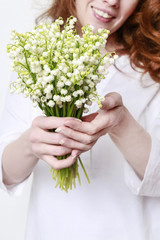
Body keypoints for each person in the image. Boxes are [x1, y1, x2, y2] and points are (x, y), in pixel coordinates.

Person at [0, 0, 160, 239]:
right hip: (48, 230)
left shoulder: (153, 66)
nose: (111, 1)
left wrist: (122, 124)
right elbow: (6, 173)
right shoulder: (38, 55)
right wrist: (30, 145)